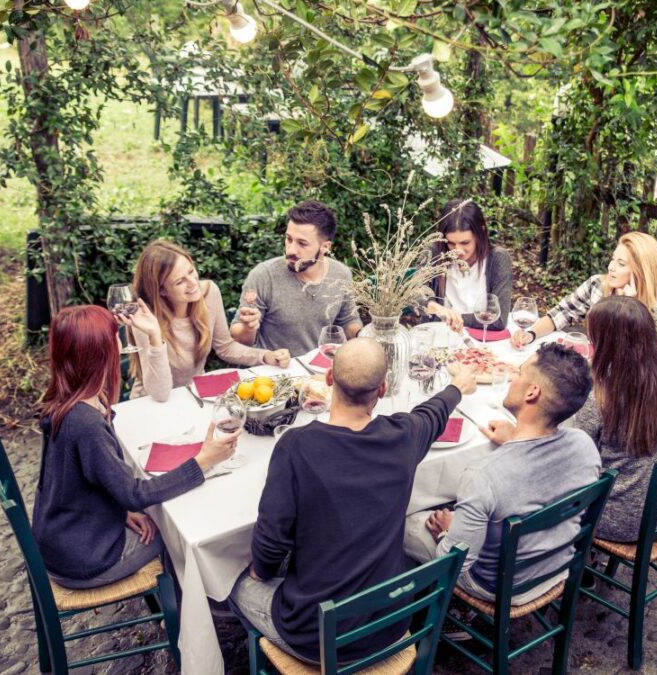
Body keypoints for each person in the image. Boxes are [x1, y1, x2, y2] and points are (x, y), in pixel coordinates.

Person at [230, 338, 478, 663]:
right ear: (383, 388)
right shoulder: (403, 436)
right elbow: (433, 413)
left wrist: (260, 573)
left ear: (329, 379)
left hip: (315, 635)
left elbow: (272, 538)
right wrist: (456, 387)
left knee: (227, 582)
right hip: (392, 621)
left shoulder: (296, 447)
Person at [32, 305, 239, 588]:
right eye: (113, 337)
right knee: (181, 535)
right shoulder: (84, 423)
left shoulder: (68, 399)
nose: (119, 342)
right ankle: (202, 609)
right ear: (100, 352)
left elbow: (80, 480)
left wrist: (120, 511)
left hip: (67, 537)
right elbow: (134, 494)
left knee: (165, 520)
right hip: (86, 560)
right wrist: (204, 461)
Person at [403, 343, 600, 605]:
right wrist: (513, 440)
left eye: (518, 372)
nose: (512, 378)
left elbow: (453, 564)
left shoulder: (484, 474)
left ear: (532, 392)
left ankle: (421, 611)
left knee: (404, 519)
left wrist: (448, 534)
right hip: (556, 567)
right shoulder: (584, 445)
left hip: (496, 585)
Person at [574, 296, 657, 542]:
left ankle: (576, 562)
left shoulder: (599, 395)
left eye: (594, 339)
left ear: (607, 345)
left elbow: (576, 457)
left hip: (616, 520)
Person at [124, 240, 290, 402]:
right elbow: (160, 394)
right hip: (150, 404)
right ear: (162, 290)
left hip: (194, 395)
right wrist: (154, 335)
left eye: (190, 271)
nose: (193, 283)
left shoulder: (209, 293)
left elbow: (225, 347)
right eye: (180, 281)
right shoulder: (145, 319)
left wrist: (266, 355)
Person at [230, 200, 363, 355]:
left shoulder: (341, 274)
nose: (291, 250)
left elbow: (348, 322)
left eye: (302, 243)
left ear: (325, 247)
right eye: (289, 239)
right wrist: (248, 327)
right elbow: (239, 339)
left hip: (319, 370)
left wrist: (368, 335)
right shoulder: (264, 276)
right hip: (274, 371)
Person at [510, 231, 657, 348]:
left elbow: (638, 362)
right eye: (612, 259)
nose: (611, 267)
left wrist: (630, 307)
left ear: (641, 273)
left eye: (621, 264)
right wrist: (530, 334)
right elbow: (563, 312)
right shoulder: (598, 285)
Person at [424, 199, 512, 332]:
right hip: (439, 334)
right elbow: (415, 295)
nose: (457, 250)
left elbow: (498, 319)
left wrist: (456, 318)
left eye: (465, 242)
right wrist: (432, 305)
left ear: (480, 233)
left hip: (482, 339)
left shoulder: (497, 259)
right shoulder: (433, 252)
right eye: (451, 243)